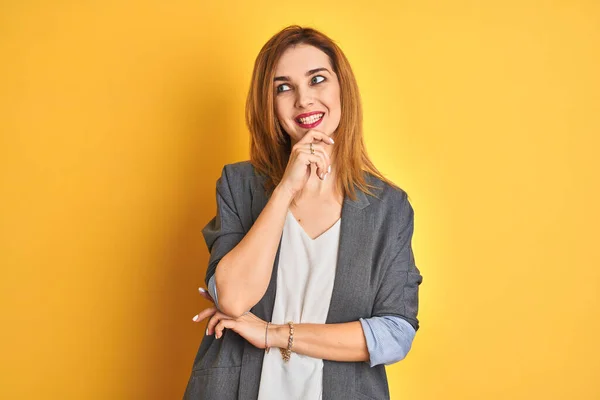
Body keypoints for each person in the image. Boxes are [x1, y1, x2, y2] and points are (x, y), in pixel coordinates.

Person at [183, 25, 423, 400]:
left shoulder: (388, 208)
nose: (303, 100)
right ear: (270, 104)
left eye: (317, 80)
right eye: (284, 87)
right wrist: (285, 190)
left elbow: (394, 335)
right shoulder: (239, 184)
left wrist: (274, 334)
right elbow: (231, 299)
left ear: (342, 87)